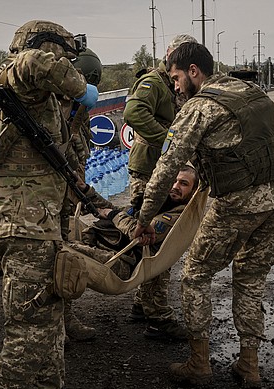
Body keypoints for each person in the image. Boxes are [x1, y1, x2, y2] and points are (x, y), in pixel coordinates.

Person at [0, 20, 98, 389]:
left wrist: (101, 206)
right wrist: (82, 90)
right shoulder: (19, 74)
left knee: (49, 309)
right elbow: (35, 62)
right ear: (46, 48)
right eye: (65, 56)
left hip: (23, 220)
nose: (68, 65)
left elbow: (62, 163)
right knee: (30, 326)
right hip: (22, 223)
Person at [133, 42, 274, 389]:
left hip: (238, 203)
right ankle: (248, 366)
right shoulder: (248, 91)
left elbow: (167, 166)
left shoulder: (201, 106)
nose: (174, 86)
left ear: (194, 72)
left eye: (176, 78)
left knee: (194, 275)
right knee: (250, 279)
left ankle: (199, 361)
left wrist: (144, 218)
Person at [123, 34, 197, 340]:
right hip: (150, 170)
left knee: (154, 240)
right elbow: (133, 113)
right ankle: (158, 317)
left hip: (165, 170)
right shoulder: (154, 82)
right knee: (158, 243)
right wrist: (168, 142)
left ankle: (143, 305)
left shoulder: (176, 85)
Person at [69, 165, 199, 282]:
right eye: (174, 181)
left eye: (184, 184)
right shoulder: (159, 202)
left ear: (193, 191)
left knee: (64, 250)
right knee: (66, 228)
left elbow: (135, 232)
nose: (176, 187)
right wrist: (86, 190)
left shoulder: (177, 217)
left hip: (121, 262)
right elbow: (119, 211)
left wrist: (111, 214)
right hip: (105, 246)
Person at [60, 47, 103, 343]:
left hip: (66, 197)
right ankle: (57, 325)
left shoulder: (80, 110)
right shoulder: (49, 106)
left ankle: (65, 320)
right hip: (44, 198)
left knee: (62, 257)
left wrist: (81, 191)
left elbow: (81, 152)